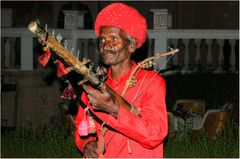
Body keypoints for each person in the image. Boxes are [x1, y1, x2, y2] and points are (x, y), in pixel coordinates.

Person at [74, 3, 168, 158]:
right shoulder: (94, 84)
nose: (106, 45)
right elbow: (81, 125)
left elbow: (155, 134)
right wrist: (87, 143)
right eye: (102, 40)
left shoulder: (151, 82)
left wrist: (115, 110)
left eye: (113, 38)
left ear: (131, 45)